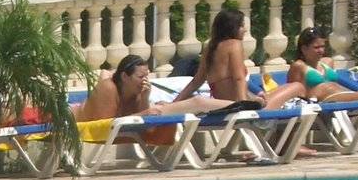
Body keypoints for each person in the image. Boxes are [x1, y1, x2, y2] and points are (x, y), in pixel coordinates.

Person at [173, 9, 306, 110]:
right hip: (239, 106)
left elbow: (196, 81)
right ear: (232, 27)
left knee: (283, 93)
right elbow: (238, 78)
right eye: (242, 26)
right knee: (297, 86)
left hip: (225, 106)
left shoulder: (210, 48)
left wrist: (175, 102)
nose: (245, 30)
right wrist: (244, 104)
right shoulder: (234, 45)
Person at [77, 54, 250, 122]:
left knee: (196, 102)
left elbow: (142, 121)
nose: (145, 80)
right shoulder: (108, 88)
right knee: (197, 102)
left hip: (132, 119)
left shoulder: (136, 90)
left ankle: (242, 106)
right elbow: (103, 124)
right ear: (124, 76)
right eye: (140, 77)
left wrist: (145, 98)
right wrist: (145, 112)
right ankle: (241, 105)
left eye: (147, 76)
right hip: (83, 123)